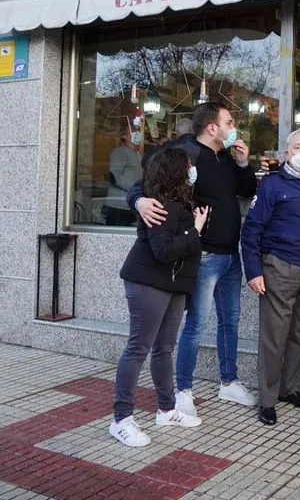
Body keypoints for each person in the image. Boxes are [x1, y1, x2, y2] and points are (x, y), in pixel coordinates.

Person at [126, 101, 258, 422]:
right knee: (196, 324)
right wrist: (139, 200)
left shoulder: (224, 156)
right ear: (212, 127)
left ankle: (228, 381)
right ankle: (183, 390)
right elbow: (146, 183)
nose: (233, 127)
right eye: (229, 121)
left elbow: (246, 189)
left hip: (230, 255)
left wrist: (243, 164)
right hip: (204, 255)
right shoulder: (184, 154)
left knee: (230, 321)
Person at [110, 147, 210, 447]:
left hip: (173, 284)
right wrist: (196, 231)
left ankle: (166, 410)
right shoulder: (161, 204)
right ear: (177, 170)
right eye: (188, 165)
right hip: (148, 282)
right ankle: (121, 419)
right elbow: (164, 251)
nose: (193, 169)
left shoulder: (179, 198)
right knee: (138, 347)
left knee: (164, 348)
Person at [241, 128, 300, 426]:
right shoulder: (272, 184)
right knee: (274, 336)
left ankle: (291, 389)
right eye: (297, 146)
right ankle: (267, 400)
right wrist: (253, 271)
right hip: (281, 267)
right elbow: (251, 230)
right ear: (286, 152)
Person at [103, 131, 142, 226]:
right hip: (118, 206)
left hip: (131, 205)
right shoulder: (120, 152)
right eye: (132, 132)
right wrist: (134, 188)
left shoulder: (137, 154)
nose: (137, 134)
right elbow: (114, 176)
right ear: (125, 136)